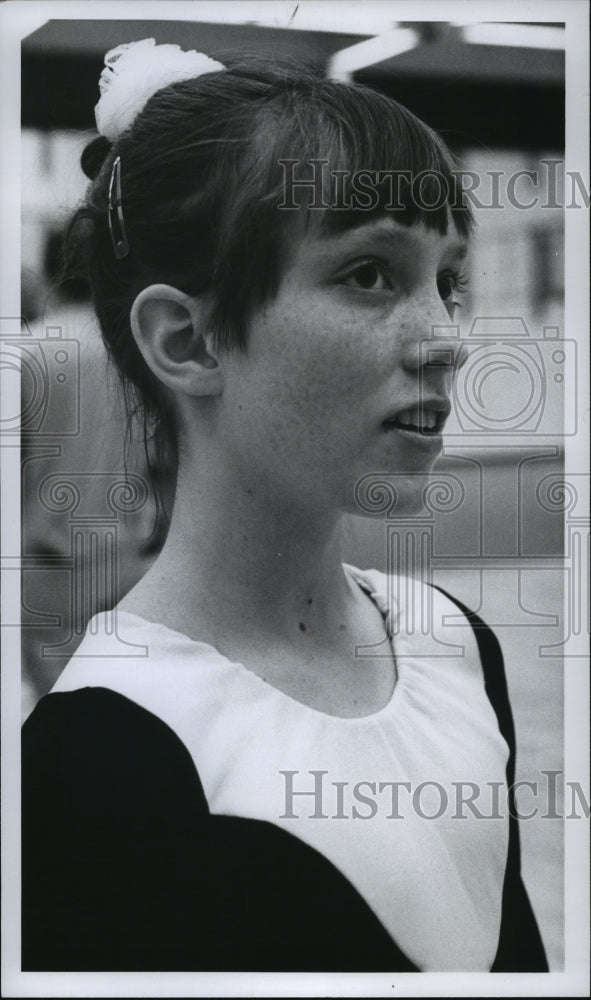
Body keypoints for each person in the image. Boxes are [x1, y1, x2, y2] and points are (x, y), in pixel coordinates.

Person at [21, 38, 548, 973]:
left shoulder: (455, 645)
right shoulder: (90, 765)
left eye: (448, 281)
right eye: (368, 274)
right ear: (187, 340)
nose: (445, 340)